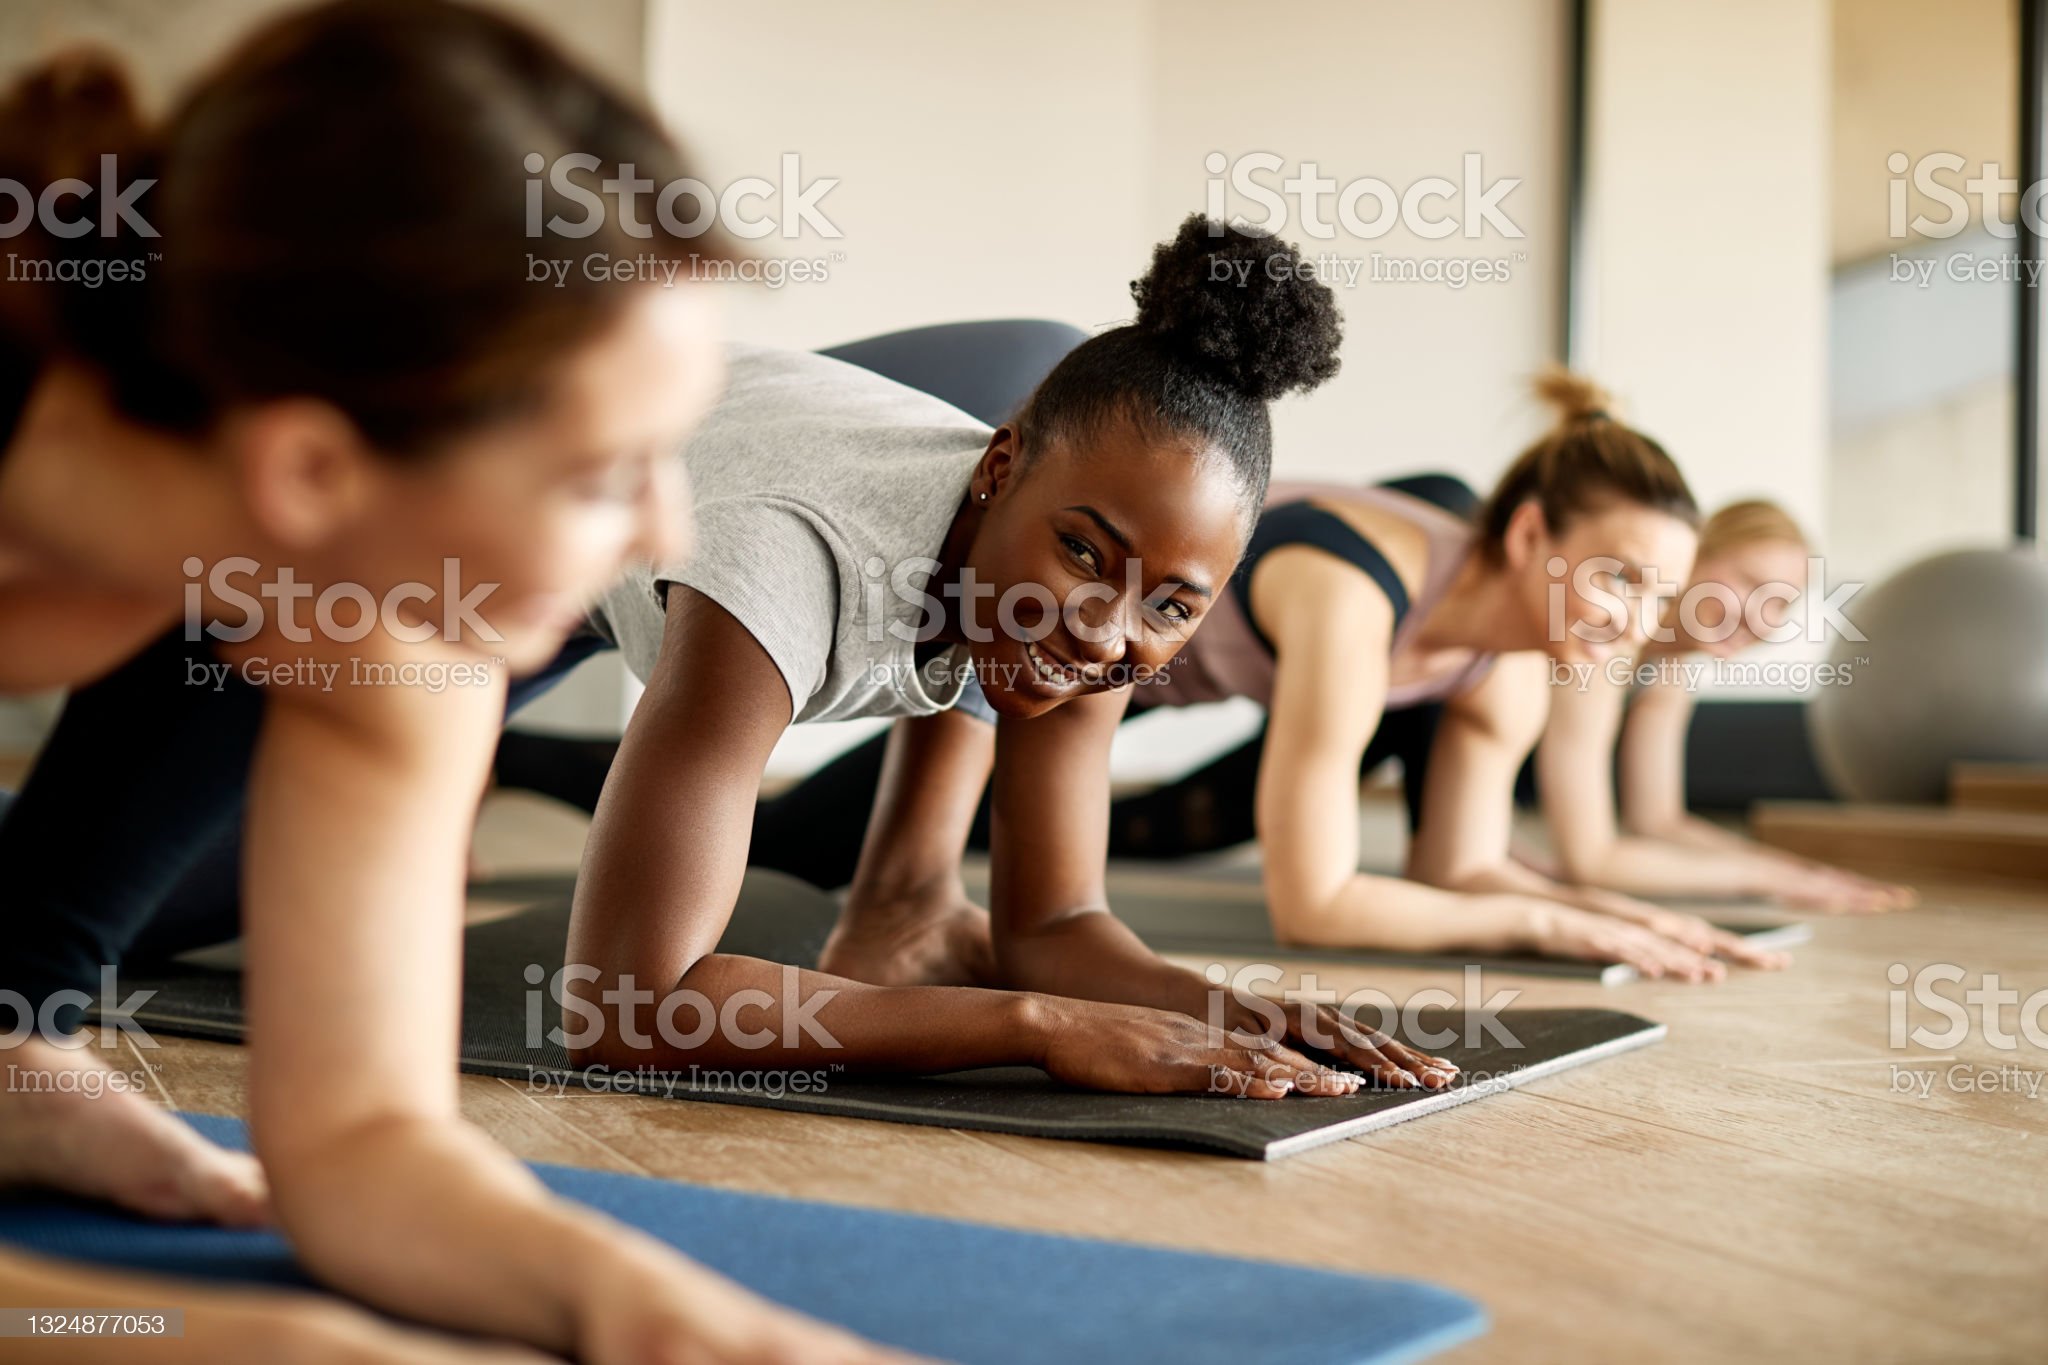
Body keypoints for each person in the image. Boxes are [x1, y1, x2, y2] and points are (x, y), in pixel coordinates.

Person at [0, 3, 909, 1360]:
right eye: (604, 475)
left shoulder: (400, 620)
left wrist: (677, 1323)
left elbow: (365, 1135)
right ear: (312, 469)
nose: (668, 534)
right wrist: (245, 1344)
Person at [561, 214, 1461, 1095]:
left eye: (1173, 603)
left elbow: (1054, 923)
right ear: (997, 468)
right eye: (1083, 552)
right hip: (542, 462)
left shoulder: (1105, 626)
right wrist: (1037, 1025)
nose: (1108, 633)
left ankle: (905, 906)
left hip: (784, 422)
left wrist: (1240, 1016)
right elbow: (628, 1009)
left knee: (1030, 607)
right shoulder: (779, 566)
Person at [1536, 498, 1916, 912]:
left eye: (1780, 603)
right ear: (1693, 556)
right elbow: (1589, 863)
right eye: (1752, 584)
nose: (1761, 617)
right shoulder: (1604, 638)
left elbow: (1657, 820)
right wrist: (1758, 878)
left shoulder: (1671, 668)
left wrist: (1790, 871)